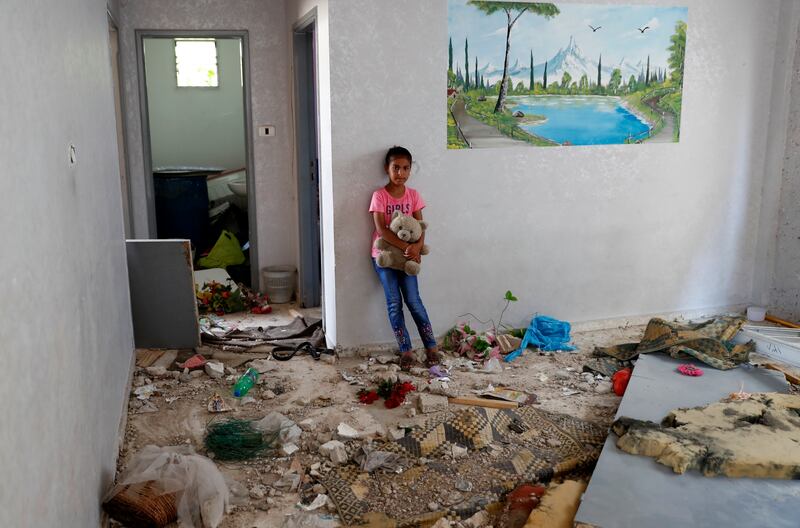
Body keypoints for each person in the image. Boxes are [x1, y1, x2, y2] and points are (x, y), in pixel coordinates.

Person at [369, 146, 440, 371]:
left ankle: (431, 347)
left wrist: (417, 248)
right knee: (394, 304)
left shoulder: (413, 195)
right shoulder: (379, 196)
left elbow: (420, 225)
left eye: (405, 168)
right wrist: (405, 247)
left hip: (409, 259)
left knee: (414, 302)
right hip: (386, 258)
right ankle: (406, 350)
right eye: (396, 168)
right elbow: (381, 229)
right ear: (386, 169)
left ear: (410, 170)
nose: (400, 173)